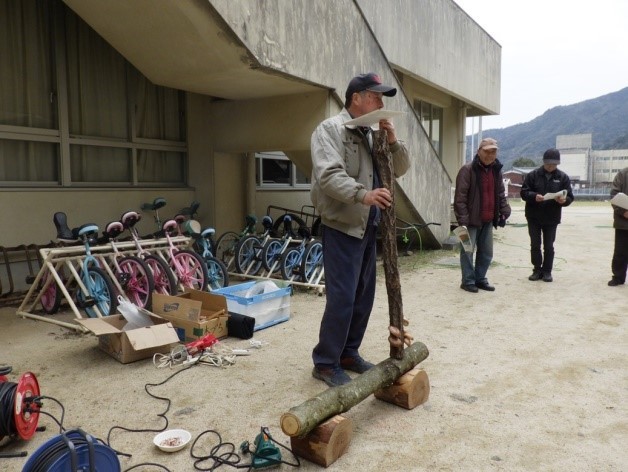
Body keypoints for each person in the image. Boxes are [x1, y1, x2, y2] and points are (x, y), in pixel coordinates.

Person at [309, 72, 410, 387]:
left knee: (363, 296)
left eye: (382, 97)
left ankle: (348, 352)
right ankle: (326, 362)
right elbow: (328, 175)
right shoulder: (330, 130)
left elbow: (401, 169)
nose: (381, 102)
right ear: (357, 98)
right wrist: (364, 195)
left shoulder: (370, 133)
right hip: (341, 226)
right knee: (342, 297)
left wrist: (392, 142)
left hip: (368, 226)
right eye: (376, 96)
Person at [454, 137, 511, 293]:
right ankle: (467, 281)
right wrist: (463, 220)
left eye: (493, 151)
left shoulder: (496, 170)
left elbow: (500, 193)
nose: (490, 155)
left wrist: (504, 210)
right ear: (479, 151)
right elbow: (460, 198)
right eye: (486, 151)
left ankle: (480, 279)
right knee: (467, 251)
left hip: (487, 219)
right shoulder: (467, 170)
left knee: (486, 252)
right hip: (469, 221)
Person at [520, 148, 574, 282]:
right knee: (535, 244)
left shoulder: (563, 177)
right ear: (543, 162)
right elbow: (524, 192)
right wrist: (533, 196)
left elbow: (570, 197)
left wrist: (564, 201)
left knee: (549, 245)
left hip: (552, 217)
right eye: (549, 164)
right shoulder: (532, 175)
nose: (551, 167)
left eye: (554, 164)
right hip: (534, 216)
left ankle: (547, 271)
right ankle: (537, 269)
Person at [608, 166, 628, 286]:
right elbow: (614, 195)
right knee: (620, 251)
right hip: (623, 221)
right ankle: (618, 277)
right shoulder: (623, 174)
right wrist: (623, 212)